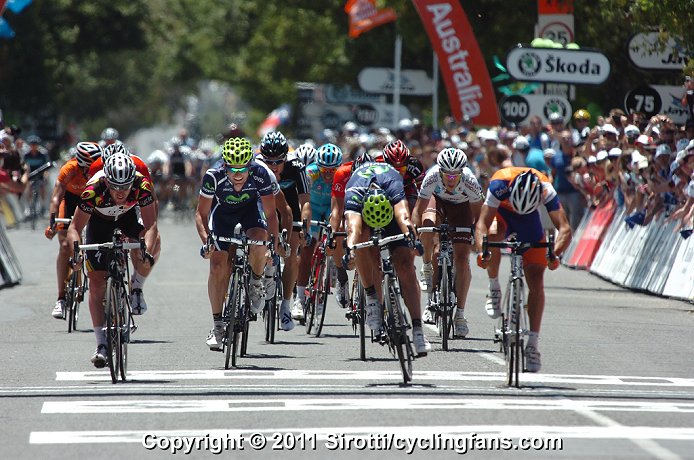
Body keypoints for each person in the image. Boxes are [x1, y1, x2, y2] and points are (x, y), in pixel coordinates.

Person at [66, 153, 159, 367]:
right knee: (97, 282)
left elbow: (151, 226)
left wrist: (146, 250)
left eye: (125, 186)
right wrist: (76, 253)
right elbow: (75, 228)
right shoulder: (93, 190)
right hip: (99, 223)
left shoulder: (141, 186)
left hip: (127, 219)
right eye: (115, 186)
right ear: (106, 180)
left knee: (142, 245)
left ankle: (132, 290)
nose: (120, 191)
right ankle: (101, 344)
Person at [475, 167, 572, 372]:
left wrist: (554, 253)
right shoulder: (499, 184)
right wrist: (482, 252)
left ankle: (533, 346)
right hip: (501, 215)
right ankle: (494, 288)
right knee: (492, 236)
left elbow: (564, 229)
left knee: (536, 280)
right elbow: (481, 224)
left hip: (529, 221)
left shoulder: (545, 188)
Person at [195, 137, 281, 351]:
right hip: (222, 214)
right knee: (217, 266)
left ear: (250, 164)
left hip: (250, 212)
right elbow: (201, 213)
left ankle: (256, 281)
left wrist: (274, 242)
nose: (238, 173)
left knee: (260, 241)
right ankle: (217, 326)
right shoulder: (212, 177)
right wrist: (207, 241)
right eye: (232, 168)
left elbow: (270, 214)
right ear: (224, 165)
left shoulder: (260, 174)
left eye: (243, 167)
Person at [343, 161, 432, 356]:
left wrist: (413, 239)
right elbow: (353, 229)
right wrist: (349, 250)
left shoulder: (393, 182)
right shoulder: (354, 191)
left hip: (390, 212)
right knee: (362, 245)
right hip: (364, 217)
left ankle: (417, 329)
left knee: (406, 265)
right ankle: (372, 298)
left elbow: (404, 217)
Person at [411, 148, 483, 335]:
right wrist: (412, 231)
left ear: (462, 173)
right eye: (447, 175)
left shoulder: (470, 181)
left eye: (455, 176)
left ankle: (459, 315)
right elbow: (418, 210)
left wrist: (477, 238)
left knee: (461, 258)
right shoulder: (432, 176)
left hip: (462, 208)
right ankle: (427, 268)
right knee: (428, 230)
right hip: (438, 203)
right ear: (440, 171)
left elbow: (479, 216)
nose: (451, 180)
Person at [257, 131, 310, 331]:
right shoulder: (256, 166)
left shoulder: (297, 167)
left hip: (290, 209)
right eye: (268, 161)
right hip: (265, 209)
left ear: (285, 158)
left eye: (278, 161)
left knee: (292, 253)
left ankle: (286, 305)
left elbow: (305, 201)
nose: (273, 166)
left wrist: (304, 227)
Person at [45, 141, 103, 319]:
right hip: (69, 201)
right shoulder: (69, 169)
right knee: (64, 246)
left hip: (91, 201)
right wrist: (53, 222)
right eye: (87, 169)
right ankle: (61, 298)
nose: (90, 172)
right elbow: (56, 197)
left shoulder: (101, 169)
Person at [293, 143, 344, 319]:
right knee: (308, 248)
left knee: (338, 234)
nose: (329, 174)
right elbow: (300, 196)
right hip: (313, 208)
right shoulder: (310, 173)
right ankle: (299, 299)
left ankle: (335, 268)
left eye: (333, 170)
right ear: (318, 167)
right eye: (325, 170)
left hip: (331, 208)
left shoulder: (343, 174)